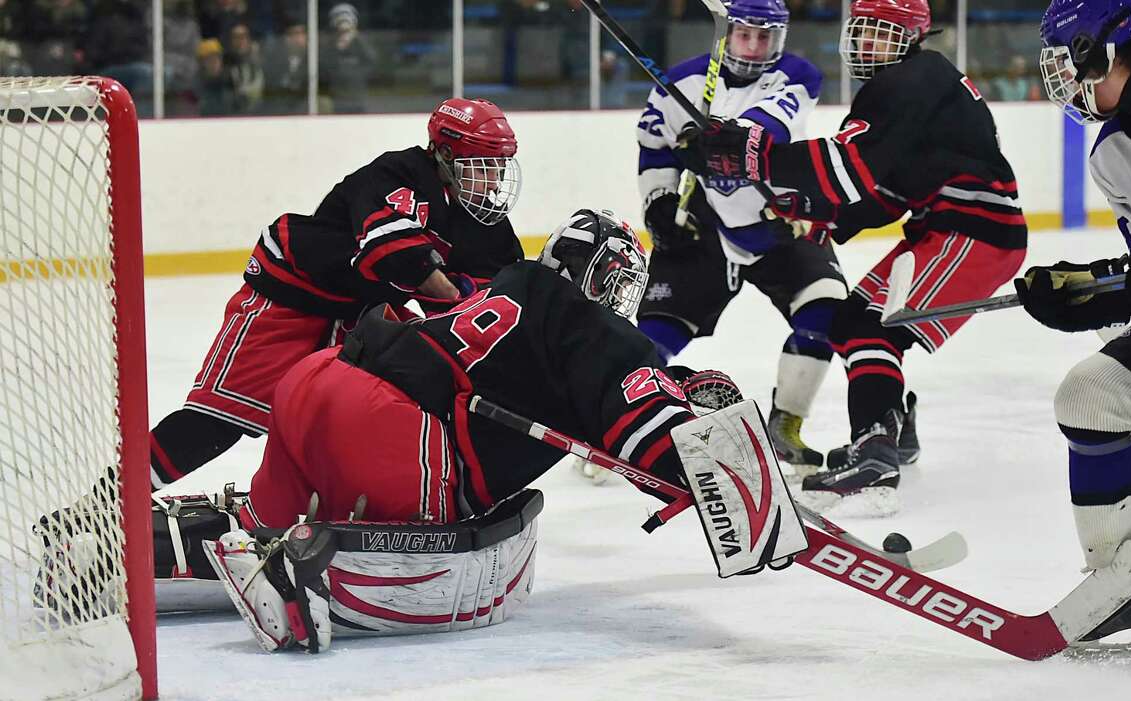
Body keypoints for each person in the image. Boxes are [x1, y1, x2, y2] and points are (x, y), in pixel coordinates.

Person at [203, 209, 744, 651]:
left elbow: (569, 386)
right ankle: (293, 574)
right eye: (620, 284)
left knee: (261, 518)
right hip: (384, 427)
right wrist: (713, 473)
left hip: (319, 379)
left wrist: (677, 383)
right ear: (601, 278)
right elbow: (640, 426)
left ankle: (194, 542)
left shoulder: (508, 284)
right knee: (435, 520)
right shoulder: (590, 323)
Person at [681, 0, 1028, 514]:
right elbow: (881, 191)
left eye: (883, 33)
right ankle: (889, 430)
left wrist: (749, 154)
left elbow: (848, 167)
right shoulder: (906, 86)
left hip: (973, 230)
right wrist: (802, 207)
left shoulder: (910, 80)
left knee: (872, 329)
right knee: (852, 322)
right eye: (863, 31)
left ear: (911, 38)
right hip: (948, 228)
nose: (868, 43)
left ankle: (875, 455)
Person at [149, 97, 525, 490]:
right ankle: (110, 509)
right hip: (292, 301)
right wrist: (458, 301)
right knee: (218, 421)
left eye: (499, 166)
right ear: (445, 153)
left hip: (360, 319)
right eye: (484, 167)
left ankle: (340, 514)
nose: (495, 181)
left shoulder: (481, 218)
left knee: (385, 415)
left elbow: (504, 292)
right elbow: (402, 258)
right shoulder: (396, 174)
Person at [1009, 0, 1131, 655]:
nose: (1060, 74)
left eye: (1065, 55)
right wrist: (1102, 292)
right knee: (1092, 393)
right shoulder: (1113, 153)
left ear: (1102, 46)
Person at [633, 0, 847, 475]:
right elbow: (655, 149)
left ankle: (786, 426)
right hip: (707, 226)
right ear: (727, 33)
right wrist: (661, 205)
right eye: (745, 34)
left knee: (827, 309)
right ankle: (617, 421)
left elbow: (773, 123)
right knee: (652, 336)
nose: (754, 47)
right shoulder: (681, 81)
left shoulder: (798, 75)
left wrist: (720, 141)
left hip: (779, 222)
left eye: (765, 37)